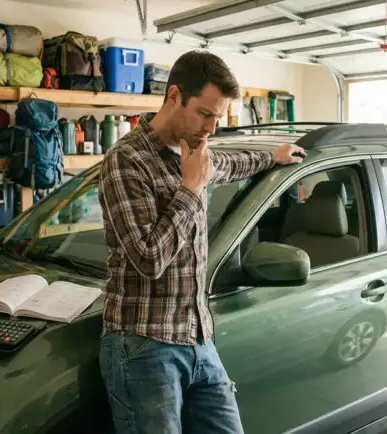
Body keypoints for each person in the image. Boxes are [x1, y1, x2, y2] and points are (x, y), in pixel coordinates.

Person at [97, 50, 306, 434]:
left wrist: (273, 157)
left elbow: (231, 164)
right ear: (174, 96)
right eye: (205, 114)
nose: (211, 128)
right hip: (144, 344)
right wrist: (191, 188)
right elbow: (148, 258)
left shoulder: (196, 150)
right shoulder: (127, 160)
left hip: (198, 337)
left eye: (218, 116)